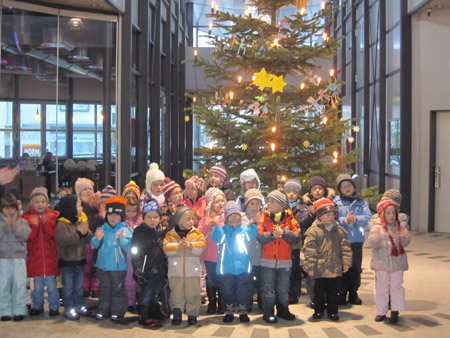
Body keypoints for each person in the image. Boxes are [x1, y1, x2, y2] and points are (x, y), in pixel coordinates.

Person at [303, 198, 352, 322]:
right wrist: (310, 267)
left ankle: (332, 311)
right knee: (318, 292)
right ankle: (318, 310)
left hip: (334, 268)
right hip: (319, 269)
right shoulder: (314, 232)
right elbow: (309, 251)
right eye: (328, 215)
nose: (331, 217)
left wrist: (346, 262)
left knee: (333, 292)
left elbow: (345, 248)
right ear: (320, 217)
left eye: (333, 214)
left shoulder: (339, 231)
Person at [257, 190, 300, 323]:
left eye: (272, 202)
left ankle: (283, 310)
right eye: (269, 201)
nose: (269, 204)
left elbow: (297, 237)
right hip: (268, 261)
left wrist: (284, 233)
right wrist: (271, 235)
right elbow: (259, 236)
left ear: (281, 205)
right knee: (268, 288)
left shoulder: (291, 219)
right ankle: (268, 312)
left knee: (283, 288)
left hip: (284, 261)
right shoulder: (264, 218)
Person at [212, 201, 257, 323]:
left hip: (242, 267)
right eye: (232, 221)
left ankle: (243, 310)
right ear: (226, 220)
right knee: (227, 290)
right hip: (226, 268)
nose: (235, 224)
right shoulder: (223, 231)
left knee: (243, 290)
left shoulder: (243, 230)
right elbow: (216, 238)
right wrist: (217, 225)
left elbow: (252, 235)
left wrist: (252, 224)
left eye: (237, 221)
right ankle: (229, 310)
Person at [90, 196, 133, 322]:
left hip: (118, 267)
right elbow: (93, 245)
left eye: (116, 215)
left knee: (118, 290)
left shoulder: (126, 229)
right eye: (110, 215)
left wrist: (122, 239)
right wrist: (97, 238)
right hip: (102, 266)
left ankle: (117, 312)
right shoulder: (102, 229)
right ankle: (103, 310)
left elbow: (130, 246)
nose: (113, 218)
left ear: (122, 216)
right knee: (104, 289)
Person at [368, 197, 410, 324]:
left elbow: (406, 242)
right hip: (381, 263)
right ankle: (381, 311)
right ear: (382, 214)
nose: (391, 216)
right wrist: (379, 237)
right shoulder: (377, 226)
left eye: (393, 213)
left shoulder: (400, 226)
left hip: (397, 263)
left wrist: (404, 236)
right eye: (388, 213)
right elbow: (372, 242)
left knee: (396, 287)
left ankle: (395, 310)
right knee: (381, 287)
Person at [163, 207, 206, 325]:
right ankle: (177, 312)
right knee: (176, 293)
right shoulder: (171, 235)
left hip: (193, 271)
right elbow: (166, 248)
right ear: (179, 221)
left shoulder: (197, 234)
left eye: (192, 219)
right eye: (188, 219)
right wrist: (178, 247)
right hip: (175, 272)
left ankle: (192, 314)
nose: (191, 221)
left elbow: (202, 247)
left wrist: (190, 245)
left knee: (193, 293)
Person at [334, 173, 371, 306]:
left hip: (357, 241)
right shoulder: (336, 203)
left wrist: (356, 220)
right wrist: (344, 220)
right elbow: (332, 219)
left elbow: (367, 217)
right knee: (343, 268)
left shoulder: (361, 202)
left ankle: (353, 292)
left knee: (355, 267)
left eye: (349, 185)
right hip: (342, 241)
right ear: (340, 189)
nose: (347, 188)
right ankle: (342, 293)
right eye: (344, 187)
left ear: (353, 187)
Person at [297, 176, 335, 307]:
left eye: (320, 188)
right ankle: (314, 298)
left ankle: (327, 298)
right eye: (314, 189)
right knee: (312, 271)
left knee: (327, 272)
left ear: (324, 190)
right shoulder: (304, 206)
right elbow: (301, 221)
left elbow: (336, 219)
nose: (317, 191)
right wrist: (312, 213)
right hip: (312, 244)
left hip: (329, 243)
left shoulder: (331, 204)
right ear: (310, 192)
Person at [22, 187, 60, 316]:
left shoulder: (53, 216)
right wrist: (35, 226)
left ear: (47, 203)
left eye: (42, 201)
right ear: (32, 203)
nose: (40, 204)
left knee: (52, 286)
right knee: (37, 286)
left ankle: (54, 306)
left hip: (50, 257)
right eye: (37, 202)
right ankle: (37, 306)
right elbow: (28, 238)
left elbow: (52, 235)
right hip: (35, 258)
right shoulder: (26, 217)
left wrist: (46, 224)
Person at [54, 194, 93, 321]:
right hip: (67, 263)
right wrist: (78, 233)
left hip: (79, 261)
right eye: (78, 205)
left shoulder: (80, 221)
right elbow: (63, 240)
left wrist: (85, 232)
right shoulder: (62, 224)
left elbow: (89, 236)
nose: (81, 208)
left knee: (78, 286)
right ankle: (69, 308)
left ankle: (79, 305)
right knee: (68, 287)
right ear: (70, 208)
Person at [131, 199, 168, 327]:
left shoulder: (160, 232)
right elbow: (136, 253)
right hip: (146, 270)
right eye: (149, 217)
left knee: (155, 292)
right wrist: (138, 269)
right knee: (145, 293)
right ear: (143, 218)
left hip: (158, 269)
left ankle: (153, 311)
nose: (152, 220)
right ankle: (144, 314)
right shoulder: (140, 232)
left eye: (155, 217)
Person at [0, 192, 31, 322]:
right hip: (2, 258)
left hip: (18, 258)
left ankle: (19, 310)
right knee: (3, 285)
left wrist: (15, 225)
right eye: (7, 208)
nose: (10, 211)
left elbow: (25, 235)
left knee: (20, 284)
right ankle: (4, 310)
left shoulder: (22, 221)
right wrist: (7, 225)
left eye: (13, 207)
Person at [83, 185, 116, 298]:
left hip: (113, 255)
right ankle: (93, 288)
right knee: (96, 270)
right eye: (104, 205)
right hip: (99, 252)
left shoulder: (117, 219)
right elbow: (92, 231)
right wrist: (102, 219)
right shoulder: (97, 218)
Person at [198, 187, 225, 314]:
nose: (220, 204)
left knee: (221, 279)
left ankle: (222, 303)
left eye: (222, 201)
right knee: (211, 279)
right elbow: (200, 232)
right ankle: (212, 303)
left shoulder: (226, 216)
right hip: (210, 255)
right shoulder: (206, 218)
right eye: (217, 201)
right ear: (210, 203)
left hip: (223, 255)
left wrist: (218, 223)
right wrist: (210, 223)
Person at [241, 188, 264, 310]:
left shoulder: (264, 216)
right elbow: (242, 232)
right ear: (247, 204)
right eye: (252, 203)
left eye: (258, 203)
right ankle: (247, 303)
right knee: (247, 282)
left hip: (261, 257)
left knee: (261, 283)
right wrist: (251, 222)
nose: (255, 207)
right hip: (247, 257)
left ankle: (262, 303)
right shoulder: (242, 217)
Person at [283, 179, 303, 304]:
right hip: (283, 244)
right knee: (285, 269)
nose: (291, 194)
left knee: (295, 268)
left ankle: (294, 293)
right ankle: (285, 291)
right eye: (288, 191)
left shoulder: (300, 207)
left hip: (295, 244)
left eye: (294, 192)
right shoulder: (281, 206)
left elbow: (300, 223)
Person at [124, 195, 142, 312]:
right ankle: (130, 302)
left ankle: (141, 300)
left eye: (133, 211)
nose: (131, 214)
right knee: (129, 278)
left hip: (139, 253)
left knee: (139, 277)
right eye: (128, 211)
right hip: (128, 254)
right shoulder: (122, 222)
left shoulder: (140, 221)